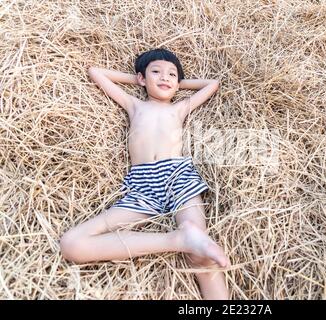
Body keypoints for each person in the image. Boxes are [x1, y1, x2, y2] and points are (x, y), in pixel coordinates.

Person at [59, 48, 230, 300]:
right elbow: (96, 72)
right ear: (142, 79)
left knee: (202, 255)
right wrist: (139, 77)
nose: (165, 77)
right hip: (142, 185)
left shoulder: (180, 108)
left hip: (177, 176)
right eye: (156, 72)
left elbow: (211, 84)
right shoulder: (134, 105)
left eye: (172, 74)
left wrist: (176, 80)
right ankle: (178, 239)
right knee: (72, 244)